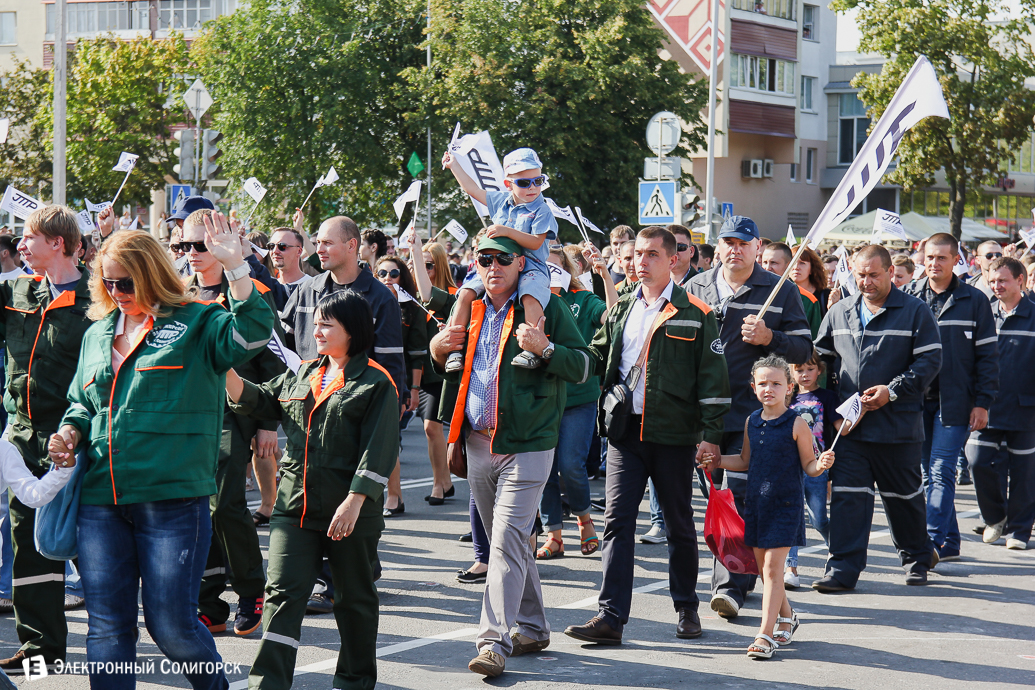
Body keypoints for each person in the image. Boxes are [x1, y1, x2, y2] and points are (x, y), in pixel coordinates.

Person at [49, 221, 274, 689]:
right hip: (99, 501)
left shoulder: (197, 321)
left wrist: (236, 267)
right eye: (107, 282)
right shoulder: (97, 333)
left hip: (172, 499)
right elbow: (80, 403)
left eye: (126, 282)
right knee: (107, 630)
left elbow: (250, 334)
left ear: (152, 274)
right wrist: (69, 431)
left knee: (171, 628)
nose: (116, 291)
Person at [429, 233, 591, 678]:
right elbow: (441, 360)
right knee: (513, 542)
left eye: (504, 259)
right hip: (477, 442)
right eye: (485, 259)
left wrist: (546, 349)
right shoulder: (470, 306)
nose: (493, 266)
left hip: (529, 444)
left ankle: (492, 641)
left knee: (502, 544)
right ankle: (535, 627)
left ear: (523, 264)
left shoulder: (545, 307)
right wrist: (435, 348)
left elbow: (581, 366)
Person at [564, 226, 730, 645]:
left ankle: (687, 608)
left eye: (652, 254)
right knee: (617, 523)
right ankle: (610, 617)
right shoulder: (620, 308)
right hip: (625, 435)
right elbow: (597, 354)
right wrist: (556, 351)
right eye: (637, 253)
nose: (641, 261)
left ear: (672, 259)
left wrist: (710, 436)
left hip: (674, 435)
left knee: (678, 525)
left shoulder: (697, 312)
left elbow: (713, 379)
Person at [225, 289, 397, 689]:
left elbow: (380, 449)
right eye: (316, 322)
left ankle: (354, 680)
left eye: (326, 324)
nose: (316, 330)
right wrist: (223, 367)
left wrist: (355, 502)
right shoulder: (302, 372)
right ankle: (267, 682)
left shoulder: (375, 382)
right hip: (294, 508)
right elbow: (257, 400)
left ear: (352, 331)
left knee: (353, 599)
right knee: (282, 594)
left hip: (349, 512)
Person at [687, 215, 813, 620]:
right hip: (704, 416)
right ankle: (746, 576)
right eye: (727, 242)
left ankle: (730, 586)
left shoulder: (781, 290)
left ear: (758, 247)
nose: (734, 249)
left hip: (752, 417)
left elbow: (802, 348)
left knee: (741, 502)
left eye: (743, 242)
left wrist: (768, 339)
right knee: (717, 501)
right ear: (718, 246)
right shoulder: (696, 287)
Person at [813, 244, 942, 590]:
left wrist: (893, 390)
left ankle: (917, 556)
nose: (866, 281)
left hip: (897, 427)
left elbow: (930, 362)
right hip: (850, 430)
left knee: (904, 499)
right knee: (848, 498)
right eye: (860, 275)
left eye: (873, 274)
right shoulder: (839, 312)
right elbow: (818, 363)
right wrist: (829, 413)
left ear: (889, 273)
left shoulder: (915, 311)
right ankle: (842, 568)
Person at [0, 205, 94, 675]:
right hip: (21, 440)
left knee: (90, 542)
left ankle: (112, 640)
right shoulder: (16, 291)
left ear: (57, 243)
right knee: (27, 541)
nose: (20, 245)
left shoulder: (99, 299)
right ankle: (42, 651)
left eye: (28, 238)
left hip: (77, 441)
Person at [181, 210, 284, 636]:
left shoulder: (247, 290)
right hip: (186, 418)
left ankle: (250, 590)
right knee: (192, 509)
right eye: (183, 246)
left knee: (224, 505)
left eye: (199, 245)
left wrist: (267, 422)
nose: (191, 254)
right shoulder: (178, 293)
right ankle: (209, 601)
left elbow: (273, 361)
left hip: (233, 412)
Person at [699, 355, 835, 659]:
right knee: (764, 572)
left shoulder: (797, 423)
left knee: (773, 570)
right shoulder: (752, 421)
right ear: (753, 387)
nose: (769, 388)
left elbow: (809, 466)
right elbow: (745, 461)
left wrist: (821, 464)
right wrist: (719, 461)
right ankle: (789, 616)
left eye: (776, 383)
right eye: (763, 383)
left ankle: (764, 634)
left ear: (789, 387)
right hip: (757, 506)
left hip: (785, 508)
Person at [904, 233, 998, 561]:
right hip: (916, 402)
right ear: (922, 258)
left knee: (942, 468)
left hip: (957, 402)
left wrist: (983, 402)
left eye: (942, 258)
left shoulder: (975, 300)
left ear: (957, 260)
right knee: (929, 473)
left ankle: (929, 542)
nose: (934, 263)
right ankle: (950, 542)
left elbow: (988, 357)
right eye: (930, 257)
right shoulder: (909, 296)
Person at [441, 147, 558, 372]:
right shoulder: (500, 200)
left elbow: (535, 243)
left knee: (530, 296)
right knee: (464, 293)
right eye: (524, 183)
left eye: (538, 180)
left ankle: (532, 349)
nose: (533, 187)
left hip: (531, 264)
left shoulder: (542, 209)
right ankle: (454, 349)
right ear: (508, 184)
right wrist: (454, 164)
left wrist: (506, 231)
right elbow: (472, 189)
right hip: (497, 262)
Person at [281, 215, 407, 397]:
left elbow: (390, 364)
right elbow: (284, 350)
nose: (319, 250)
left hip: (356, 408)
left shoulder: (382, 298)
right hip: (306, 405)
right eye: (318, 243)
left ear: (351, 245)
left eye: (327, 243)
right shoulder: (305, 291)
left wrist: (389, 411)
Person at [534, 247, 607, 559]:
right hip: (542, 398)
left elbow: (612, 319)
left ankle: (584, 519)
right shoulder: (529, 300)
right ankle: (554, 536)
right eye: (542, 268)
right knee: (543, 470)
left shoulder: (584, 300)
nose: (549, 274)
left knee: (569, 465)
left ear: (567, 270)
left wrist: (604, 276)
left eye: (554, 268)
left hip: (578, 398)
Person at [967, 257, 1035, 550]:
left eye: (1003, 281)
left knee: (1024, 473)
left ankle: (1020, 530)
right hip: (987, 408)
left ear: (1020, 280)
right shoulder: (984, 314)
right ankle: (996, 517)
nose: (996, 286)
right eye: (992, 281)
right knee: (977, 460)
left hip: (1025, 409)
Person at [375, 255, 427, 517]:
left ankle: (394, 496)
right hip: (368, 377)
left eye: (394, 274)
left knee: (390, 439)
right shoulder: (366, 303)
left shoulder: (412, 309)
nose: (387, 278)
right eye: (382, 273)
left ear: (403, 278)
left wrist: (414, 390)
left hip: (399, 381)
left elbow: (417, 353)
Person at [784, 353, 842, 588]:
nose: (804, 375)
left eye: (810, 369)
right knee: (792, 518)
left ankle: (836, 550)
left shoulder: (827, 397)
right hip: (789, 468)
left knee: (818, 519)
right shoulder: (788, 397)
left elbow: (841, 428)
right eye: (799, 370)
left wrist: (858, 412)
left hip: (816, 467)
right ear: (792, 373)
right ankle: (791, 569)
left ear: (820, 370)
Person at [408, 236, 457, 505]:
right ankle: (444, 480)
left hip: (444, 372)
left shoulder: (452, 295)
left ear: (439, 266)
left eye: (428, 265)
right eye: (419, 265)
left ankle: (440, 482)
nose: (423, 271)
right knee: (431, 430)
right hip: (421, 372)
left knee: (432, 427)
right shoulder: (412, 295)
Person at [763, 242, 821, 338]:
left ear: (788, 265)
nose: (767, 268)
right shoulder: (752, 292)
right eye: (765, 262)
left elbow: (813, 342)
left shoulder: (809, 300)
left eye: (774, 263)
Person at [789, 245, 831, 324]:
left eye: (802, 263)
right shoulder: (782, 293)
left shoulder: (826, 296)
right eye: (792, 262)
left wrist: (833, 308)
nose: (796, 267)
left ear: (812, 268)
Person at [267, 227, 313, 294]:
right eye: (271, 246)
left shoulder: (313, 287)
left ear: (299, 251)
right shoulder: (269, 288)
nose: (275, 251)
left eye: (282, 246)